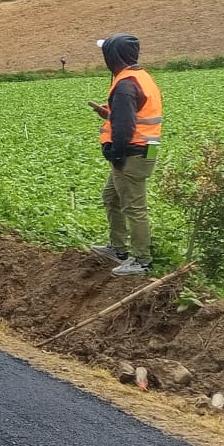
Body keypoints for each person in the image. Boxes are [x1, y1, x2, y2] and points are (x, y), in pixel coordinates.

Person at [88, 34, 163, 277]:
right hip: (145, 149)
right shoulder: (141, 77)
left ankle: (142, 261)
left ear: (113, 55)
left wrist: (116, 154)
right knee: (111, 197)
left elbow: (125, 127)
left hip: (131, 153)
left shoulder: (125, 84)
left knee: (134, 207)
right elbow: (134, 115)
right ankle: (118, 249)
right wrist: (110, 113)